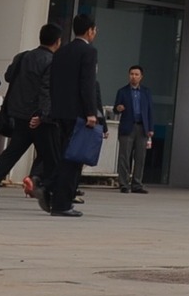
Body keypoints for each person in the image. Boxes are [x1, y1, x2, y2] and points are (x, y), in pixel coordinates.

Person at [0, 24, 59, 205]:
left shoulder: (24, 56)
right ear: (57, 41)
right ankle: (47, 192)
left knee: (10, 154)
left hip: (18, 114)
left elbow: (9, 76)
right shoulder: (52, 61)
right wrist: (43, 114)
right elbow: (47, 90)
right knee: (53, 156)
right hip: (37, 118)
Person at [44, 13, 103, 217]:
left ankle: (49, 187)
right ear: (89, 31)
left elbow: (53, 82)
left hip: (60, 111)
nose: (95, 34)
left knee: (64, 155)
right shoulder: (88, 51)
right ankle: (62, 204)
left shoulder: (62, 51)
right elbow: (87, 84)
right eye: (94, 30)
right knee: (74, 159)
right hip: (78, 113)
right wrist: (91, 112)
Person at [112, 65, 154, 194]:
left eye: (136, 74)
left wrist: (150, 129)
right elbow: (115, 108)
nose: (133, 77)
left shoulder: (146, 92)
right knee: (124, 156)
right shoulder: (122, 91)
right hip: (127, 126)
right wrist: (118, 108)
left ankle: (137, 184)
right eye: (131, 74)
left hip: (142, 127)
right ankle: (124, 183)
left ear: (141, 77)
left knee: (140, 157)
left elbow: (150, 111)